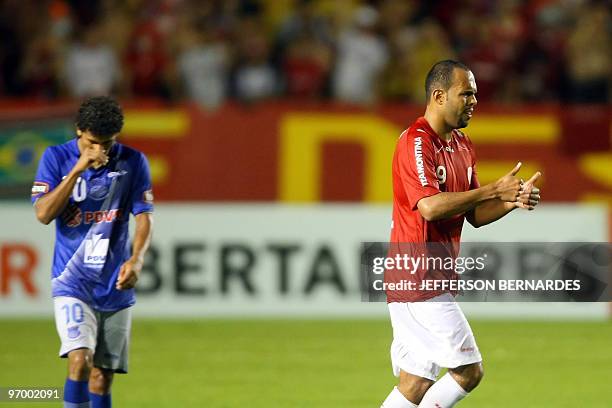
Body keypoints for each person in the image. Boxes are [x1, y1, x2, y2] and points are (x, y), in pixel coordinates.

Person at [380, 60, 541, 408]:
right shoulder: (416, 142)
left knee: (415, 381)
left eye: (475, 94)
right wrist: (493, 189)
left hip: (430, 276)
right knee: (469, 371)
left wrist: (511, 201)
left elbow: (475, 216)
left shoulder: (462, 145)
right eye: (465, 93)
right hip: (418, 277)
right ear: (438, 96)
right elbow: (430, 207)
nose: (474, 101)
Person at [31, 96, 153, 408]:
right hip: (72, 282)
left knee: (103, 376)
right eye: (93, 143)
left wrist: (137, 258)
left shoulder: (133, 161)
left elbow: (144, 217)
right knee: (80, 362)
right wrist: (76, 170)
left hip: (113, 284)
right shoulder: (56, 158)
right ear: (78, 131)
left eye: (108, 143)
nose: (101, 151)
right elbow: (44, 214)